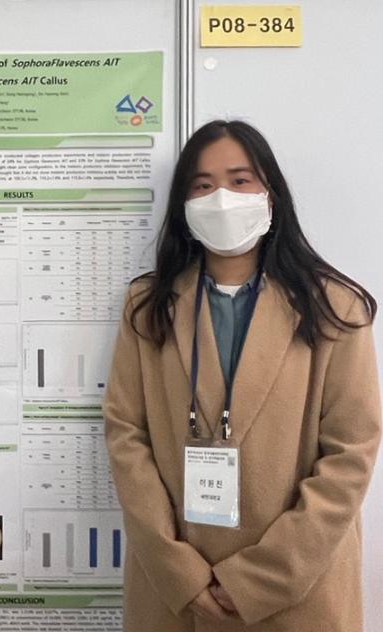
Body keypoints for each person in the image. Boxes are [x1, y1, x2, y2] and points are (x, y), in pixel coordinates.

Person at [103, 120, 380, 631]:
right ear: (184, 205)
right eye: (202, 185)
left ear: (270, 194)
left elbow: (350, 453)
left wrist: (259, 579)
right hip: (176, 591)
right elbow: (126, 436)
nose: (222, 199)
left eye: (240, 180)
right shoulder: (148, 307)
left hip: (298, 592)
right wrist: (180, 573)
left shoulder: (335, 309)